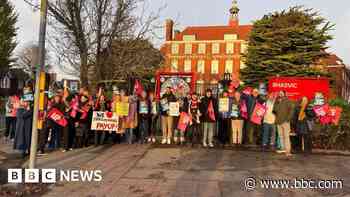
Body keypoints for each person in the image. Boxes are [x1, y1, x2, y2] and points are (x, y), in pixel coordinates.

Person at [273, 91, 294, 156]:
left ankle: (288, 151)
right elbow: (274, 110)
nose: (280, 94)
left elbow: (291, 110)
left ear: (284, 94)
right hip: (278, 122)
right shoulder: (277, 101)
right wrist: (277, 103)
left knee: (286, 136)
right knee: (281, 136)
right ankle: (283, 149)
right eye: (279, 93)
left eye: (281, 93)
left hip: (285, 122)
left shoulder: (288, 101)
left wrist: (288, 119)